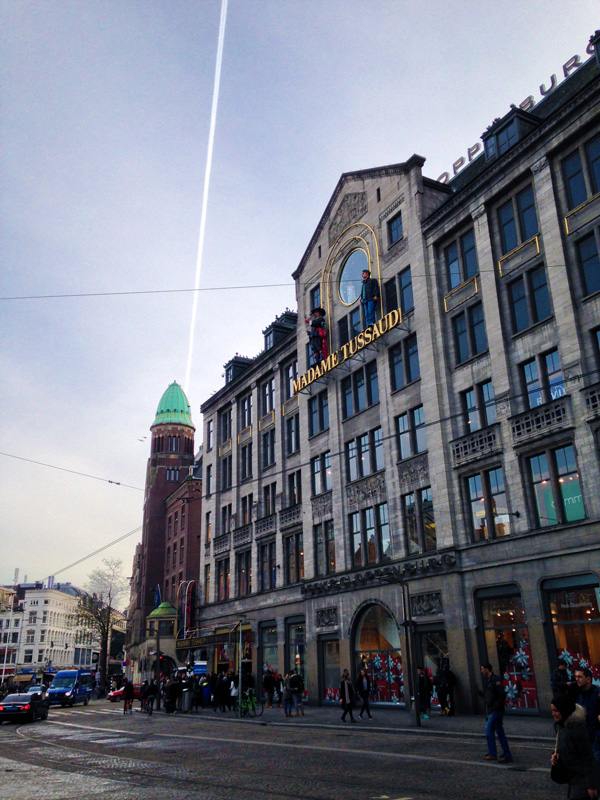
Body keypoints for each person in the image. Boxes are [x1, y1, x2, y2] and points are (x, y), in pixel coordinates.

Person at [551, 694, 599, 800]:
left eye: (556, 710)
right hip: (572, 779)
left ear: (564, 709)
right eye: (552, 710)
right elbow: (563, 747)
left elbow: (588, 758)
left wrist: (592, 785)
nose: (553, 714)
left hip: (582, 781)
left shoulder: (577, 729)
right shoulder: (560, 726)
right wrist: (555, 755)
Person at [479, 662, 513, 763]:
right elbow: (490, 695)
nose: (481, 671)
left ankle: (493, 753)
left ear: (487, 669)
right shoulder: (488, 680)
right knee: (499, 732)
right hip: (492, 709)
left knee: (488, 729)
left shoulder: (495, 679)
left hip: (496, 709)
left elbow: (501, 695)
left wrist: (495, 706)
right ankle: (507, 754)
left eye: (482, 669)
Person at [574, 668, 600, 765]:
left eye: (579, 677)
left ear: (588, 679)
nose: (576, 679)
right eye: (576, 677)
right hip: (585, 736)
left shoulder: (597, 694)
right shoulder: (580, 694)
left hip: (595, 736)